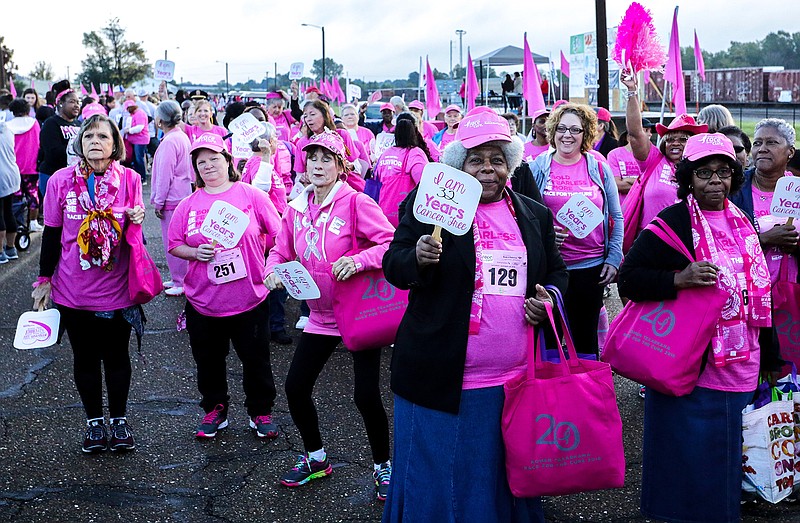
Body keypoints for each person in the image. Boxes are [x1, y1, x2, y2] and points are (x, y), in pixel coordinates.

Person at [382, 108, 568, 522]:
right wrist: (417, 257)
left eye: (497, 160)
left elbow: (556, 272)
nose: (488, 169)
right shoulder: (429, 205)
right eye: (476, 160)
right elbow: (394, 266)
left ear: (511, 165)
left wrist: (549, 298)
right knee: (436, 479)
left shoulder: (532, 214)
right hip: (438, 377)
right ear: (458, 166)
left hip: (512, 381)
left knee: (497, 479)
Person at [618, 133, 774, 523]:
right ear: (688, 178)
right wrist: (678, 279)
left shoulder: (742, 221)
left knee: (725, 471)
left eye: (723, 172)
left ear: (734, 176)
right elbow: (630, 279)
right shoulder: (673, 221)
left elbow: (759, 292)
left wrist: (770, 358)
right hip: (692, 369)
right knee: (687, 468)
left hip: (742, 367)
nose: (715, 181)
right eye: (704, 172)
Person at [264, 130, 395, 500]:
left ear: (341, 166)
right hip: (319, 315)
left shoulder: (356, 203)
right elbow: (280, 249)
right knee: (295, 387)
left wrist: (357, 259)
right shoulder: (296, 206)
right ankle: (316, 458)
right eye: (313, 158)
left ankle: (383, 465)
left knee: (366, 395)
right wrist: (273, 269)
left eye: (327, 159)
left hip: (358, 313)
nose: (318, 165)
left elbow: (390, 243)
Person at [32, 114, 146, 453]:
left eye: (103, 137)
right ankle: (94, 422)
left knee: (116, 356)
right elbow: (52, 233)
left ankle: (119, 421)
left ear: (115, 146)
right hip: (72, 287)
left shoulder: (130, 179)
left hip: (116, 288)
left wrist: (136, 220)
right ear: (80, 143)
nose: (95, 141)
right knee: (84, 357)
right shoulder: (60, 180)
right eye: (89, 136)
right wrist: (44, 279)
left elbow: (134, 236)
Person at [167, 133, 282, 440]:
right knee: (208, 361)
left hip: (250, 299)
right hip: (204, 302)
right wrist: (195, 252)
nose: (208, 166)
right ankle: (214, 409)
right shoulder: (187, 205)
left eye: (214, 159)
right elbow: (174, 244)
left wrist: (269, 261)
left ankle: (260, 412)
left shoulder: (251, 196)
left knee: (256, 359)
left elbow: (280, 233)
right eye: (201, 162)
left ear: (229, 162)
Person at [530, 102, 623, 358]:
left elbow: (616, 216)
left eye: (575, 129)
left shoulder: (598, 167)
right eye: (561, 128)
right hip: (551, 268)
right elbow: (525, 217)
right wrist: (547, 233)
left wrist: (614, 258)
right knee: (548, 337)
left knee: (584, 339)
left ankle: (585, 393)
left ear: (586, 134)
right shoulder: (538, 167)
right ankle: (550, 392)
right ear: (552, 131)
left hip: (589, 268)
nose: (567, 135)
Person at [621, 71, 708, 244]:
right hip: (649, 243)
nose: (675, 143)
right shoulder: (654, 160)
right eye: (670, 139)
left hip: (687, 245)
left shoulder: (704, 169)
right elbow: (636, 133)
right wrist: (632, 92)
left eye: (683, 139)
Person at [730, 118, 798, 288]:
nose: (762, 149)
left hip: (792, 291)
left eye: (772, 142)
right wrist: (763, 239)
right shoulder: (733, 188)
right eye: (757, 143)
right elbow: (721, 242)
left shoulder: (797, 189)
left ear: (790, 151)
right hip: (746, 289)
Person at [151, 100, 192, 297]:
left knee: (173, 242)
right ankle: (179, 277)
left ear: (160, 121)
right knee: (180, 240)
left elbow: (164, 175)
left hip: (171, 198)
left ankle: (180, 280)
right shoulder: (181, 136)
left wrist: (158, 201)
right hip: (182, 193)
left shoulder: (169, 142)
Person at [373, 112, 433, 226]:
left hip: (382, 213)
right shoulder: (415, 153)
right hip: (405, 215)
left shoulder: (386, 153)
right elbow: (425, 184)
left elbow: (377, 176)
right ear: (414, 132)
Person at [37, 81, 80, 200]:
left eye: (78, 102)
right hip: (52, 175)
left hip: (75, 176)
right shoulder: (51, 123)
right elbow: (52, 152)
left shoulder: (80, 124)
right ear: (60, 103)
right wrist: (79, 151)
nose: (76, 105)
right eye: (72, 102)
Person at [8, 98, 42, 232]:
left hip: (14, 167)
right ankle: (33, 222)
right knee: (33, 195)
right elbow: (39, 143)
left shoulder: (7, 126)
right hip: (31, 167)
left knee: (15, 197)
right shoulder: (35, 124)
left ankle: (17, 223)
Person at [606, 118, 655, 206]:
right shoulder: (614, 155)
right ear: (629, 136)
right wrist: (643, 183)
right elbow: (616, 185)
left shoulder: (654, 155)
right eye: (646, 130)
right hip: (624, 209)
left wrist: (628, 180)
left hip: (646, 208)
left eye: (650, 131)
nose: (650, 134)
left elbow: (654, 185)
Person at [0, 117, 21, 263]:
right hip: (12, 174)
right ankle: (11, 248)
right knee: (8, 211)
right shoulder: (7, 129)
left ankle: (1, 252)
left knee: (0, 213)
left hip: (1, 175)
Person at [120, 100, 150, 182]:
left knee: (139, 159)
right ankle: (137, 177)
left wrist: (129, 130)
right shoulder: (133, 114)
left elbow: (140, 127)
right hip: (134, 140)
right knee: (135, 159)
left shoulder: (140, 114)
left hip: (140, 140)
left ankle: (143, 177)